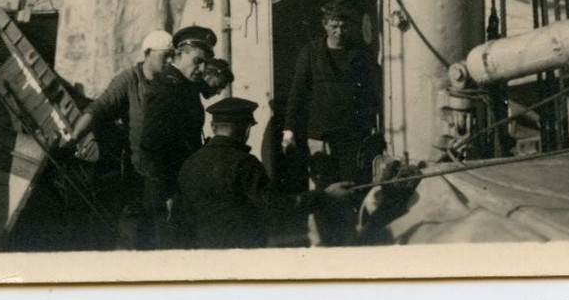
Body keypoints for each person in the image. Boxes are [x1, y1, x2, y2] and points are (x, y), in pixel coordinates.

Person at [177, 97, 354, 249]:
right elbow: (275, 206)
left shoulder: (191, 163)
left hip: (204, 250)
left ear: (213, 126)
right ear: (246, 128)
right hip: (243, 249)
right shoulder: (244, 163)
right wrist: (326, 195)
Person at [60, 29, 174, 247]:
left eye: (172, 56)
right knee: (131, 226)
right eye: (164, 56)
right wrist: (74, 138)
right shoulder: (129, 80)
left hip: (162, 168)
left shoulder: (169, 83)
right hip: (136, 169)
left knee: (160, 229)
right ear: (148, 53)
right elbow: (98, 108)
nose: (169, 61)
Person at [284, 0, 378, 242]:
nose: (339, 31)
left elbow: (372, 94)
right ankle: (321, 242)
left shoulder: (361, 54)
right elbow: (298, 93)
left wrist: (372, 128)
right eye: (334, 25)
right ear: (325, 25)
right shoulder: (311, 52)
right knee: (323, 192)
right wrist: (289, 130)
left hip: (353, 138)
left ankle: (349, 241)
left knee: (352, 191)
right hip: (320, 138)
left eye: (344, 26)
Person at [137, 29, 233, 247]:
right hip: (167, 190)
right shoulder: (167, 88)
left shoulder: (183, 84)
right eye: (197, 61)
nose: (201, 69)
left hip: (181, 185)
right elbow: (152, 145)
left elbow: (207, 84)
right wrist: (167, 193)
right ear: (179, 54)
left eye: (204, 63)